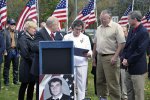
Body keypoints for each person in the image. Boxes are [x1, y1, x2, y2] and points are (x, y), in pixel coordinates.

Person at [92, 9, 125, 100]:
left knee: (112, 82)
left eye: (104, 19)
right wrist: (93, 57)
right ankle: (102, 98)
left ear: (110, 18)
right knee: (100, 81)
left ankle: (115, 98)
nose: (102, 21)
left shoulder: (116, 27)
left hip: (111, 57)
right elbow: (95, 43)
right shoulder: (99, 28)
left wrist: (115, 57)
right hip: (100, 57)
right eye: (101, 19)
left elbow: (121, 43)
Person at [31, 16, 64, 100]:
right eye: (57, 25)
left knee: (50, 90)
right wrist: (49, 48)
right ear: (52, 25)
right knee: (41, 90)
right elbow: (34, 47)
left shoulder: (57, 35)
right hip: (41, 68)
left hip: (53, 68)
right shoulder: (40, 33)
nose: (58, 27)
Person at [122, 11, 149, 100]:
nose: (127, 21)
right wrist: (124, 58)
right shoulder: (131, 30)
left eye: (129, 19)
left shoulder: (143, 32)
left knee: (138, 93)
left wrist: (128, 61)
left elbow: (140, 51)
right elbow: (126, 46)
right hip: (128, 67)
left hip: (138, 69)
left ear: (135, 19)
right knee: (130, 92)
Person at [63, 19, 92, 100]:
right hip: (70, 64)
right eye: (76, 29)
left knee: (81, 84)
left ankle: (81, 98)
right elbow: (63, 50)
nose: (78, 31)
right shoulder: (66, 37)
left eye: (80, 29)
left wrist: (89, 54)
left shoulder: (85, 37)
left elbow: (89, 49)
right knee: (71, 84)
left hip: (82, 63)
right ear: (72, 28)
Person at [17, 21, 37, 100]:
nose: (35, 30)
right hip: (26, 65)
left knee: (31, 86)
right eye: (33, 28)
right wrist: (34, 61)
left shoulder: (33, 38)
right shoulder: (23, 38)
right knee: (24, 85)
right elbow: (25, 54)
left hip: (32, 65)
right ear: (28, 29)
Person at [2, 18, 19, 86]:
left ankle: (15, 80)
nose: (13, 25)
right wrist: (4, 50)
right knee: (7, 67)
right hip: (8, 51)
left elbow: (18, 41)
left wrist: (19, 51)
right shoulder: (4, 32)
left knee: (16, 66)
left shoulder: (16, 32)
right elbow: (3, 42)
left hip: (16, 50)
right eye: (11, 24)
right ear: (8, 24)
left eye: (14, 24)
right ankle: (6, 81)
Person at [120, 26, 128, 100]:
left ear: (127, 32)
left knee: (124, 81)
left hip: (124, 64)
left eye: (124, 31)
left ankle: (124, 96)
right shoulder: (118, 40)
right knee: (117, 80)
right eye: (121, 32)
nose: (122, 33)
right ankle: (119, 95)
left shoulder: (128, 41)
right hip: (117, 63)